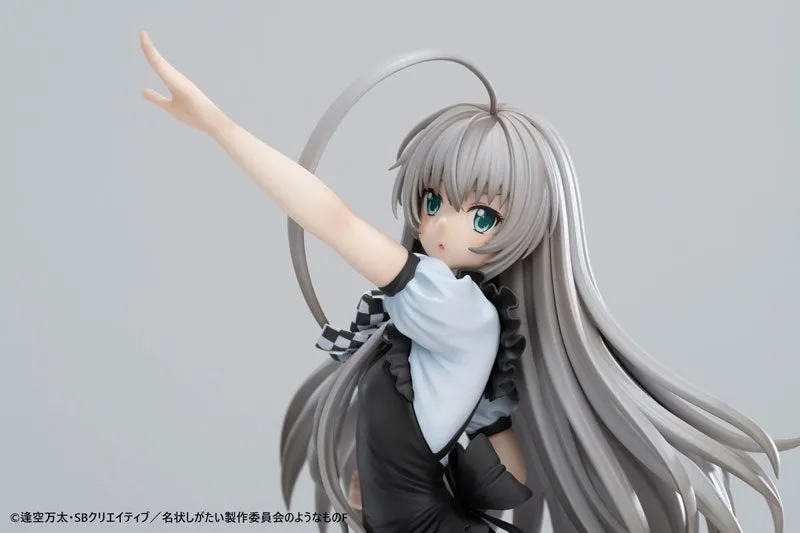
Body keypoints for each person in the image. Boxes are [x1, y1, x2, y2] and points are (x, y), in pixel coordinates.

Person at [140, 31, 799, 532]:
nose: (441, 225)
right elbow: (487, 437)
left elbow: (334, 220)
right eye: (432, 201)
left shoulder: (449, 306)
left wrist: (219, 126)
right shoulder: (452, 313)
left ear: (528, 223)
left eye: (481, 214)